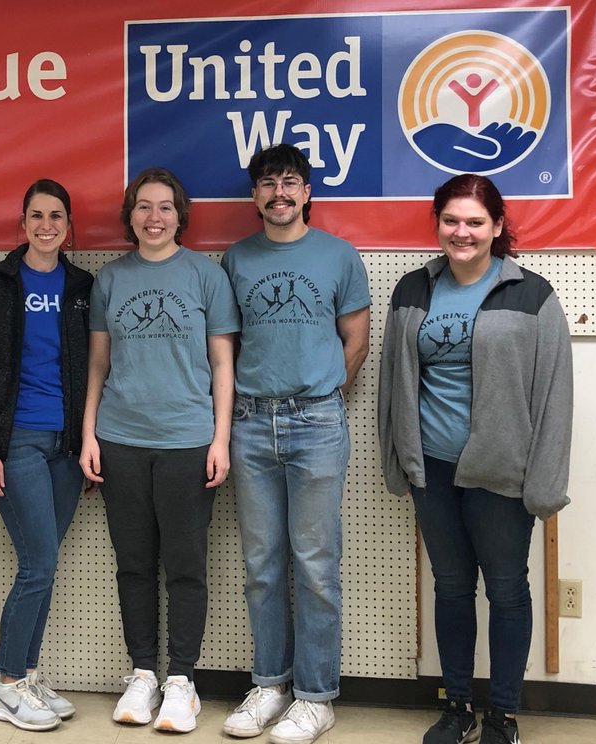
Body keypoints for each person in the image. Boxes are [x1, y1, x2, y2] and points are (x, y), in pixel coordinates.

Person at [378, 174, 572, 744]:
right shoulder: (413, 290)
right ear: (437, 224)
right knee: (452, 587)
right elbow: (394, 382)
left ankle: (503, 715)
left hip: (502, 472)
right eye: (451, 220)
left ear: (497, 227)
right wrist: (400, 461)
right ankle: (457, 706)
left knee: (508, 590)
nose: (461, 232)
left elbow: (555, 395)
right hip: (433, 469)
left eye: (475, 222)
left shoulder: (531, 294)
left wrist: (543, 482)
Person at [220, 143, 371, 744]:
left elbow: (355, 340)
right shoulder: (234, 260)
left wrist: (322, 396)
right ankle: (270, 684)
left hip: (316, 424)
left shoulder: (339, 257)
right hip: (250, 424)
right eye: (266, 182)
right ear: (254, 195)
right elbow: (224, 350)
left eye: (289, 182)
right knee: (262, 565)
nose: (278, 192)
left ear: (307, 192)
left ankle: (315, 696)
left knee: (314, 566)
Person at [80, 167, 239, 734]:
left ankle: (181, 682)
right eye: (143, 207)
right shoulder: (110, 280)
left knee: (187, 567)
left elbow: (223, 364)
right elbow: (98, 364)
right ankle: (143, 673)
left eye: (165, 207)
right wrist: (89, 435)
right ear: (130, 216)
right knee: (134, 565)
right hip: (120, 441)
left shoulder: (206, 276)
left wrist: (220, 440)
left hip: (188, 442)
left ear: (180, 214)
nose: (154, 217)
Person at [0, 179, 94, 732]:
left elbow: (95, 369)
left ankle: (30, 673)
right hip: (15, 442)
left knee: (44, 564)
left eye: (56, 216)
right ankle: (8, 684)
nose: (46, 225)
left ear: (69, 226)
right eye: (36, 216)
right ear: (22, 224)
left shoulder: (84, 285)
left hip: (65, 445)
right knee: (38, 565)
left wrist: (89, 443)